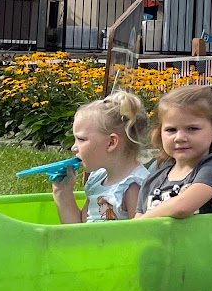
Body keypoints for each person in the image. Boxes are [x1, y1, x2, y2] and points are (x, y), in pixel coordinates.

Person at [48, 91, 153, 224]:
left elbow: (140, 237)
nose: (74, 147)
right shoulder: (97, 178)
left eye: (81, 139)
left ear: (111, 143)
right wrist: (62, 192)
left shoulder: (133, 186)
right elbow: (77, 230)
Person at [137, 82, 212, 218]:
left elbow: (181, 207)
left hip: (205, 239)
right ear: (159, 133)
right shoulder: (152, 179)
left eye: (192, 129)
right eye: (171, 130)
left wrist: (144, 220)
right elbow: (136, 227)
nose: (179, 138)